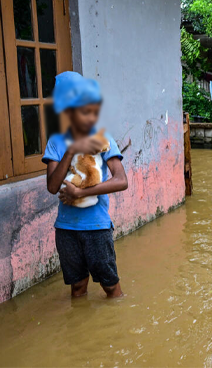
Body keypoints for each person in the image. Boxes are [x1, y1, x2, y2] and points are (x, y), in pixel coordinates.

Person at [42, 71, 128, 298]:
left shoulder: (102, 137)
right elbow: (52, 187)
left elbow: (121, 180)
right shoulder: (56, 141)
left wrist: (80, 192)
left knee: (111, 288)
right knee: (78, 287)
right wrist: (71, 150)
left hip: (96, 227)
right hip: (66, 229)